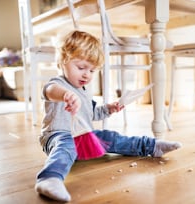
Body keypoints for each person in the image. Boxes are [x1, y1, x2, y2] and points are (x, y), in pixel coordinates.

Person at [35, 30, 182, 202]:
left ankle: (151, 146)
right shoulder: (57, 84)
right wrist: (65, 95)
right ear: (62, 61)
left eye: (92, 70)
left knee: (111, 137)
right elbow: (50, 92)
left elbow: (92, 113)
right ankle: (49, 178)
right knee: (66, 144)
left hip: (83, 136)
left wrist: (108, 109)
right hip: (57, 136)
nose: (86, 75)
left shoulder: (83, 91)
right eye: (81, 67)